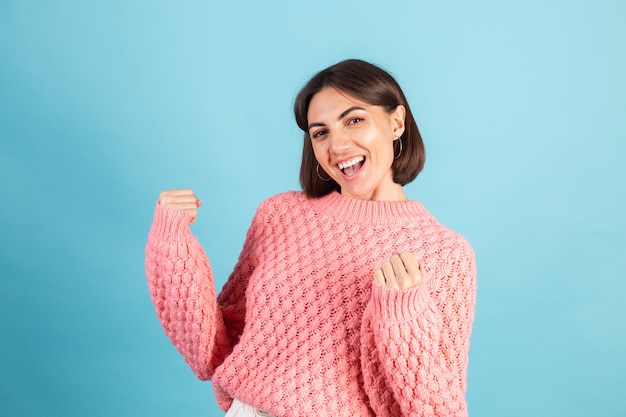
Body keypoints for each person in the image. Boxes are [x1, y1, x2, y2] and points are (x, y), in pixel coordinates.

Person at [145, 59, 476, 417]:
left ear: (396, 122)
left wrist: (402, 317)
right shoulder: (280, 215)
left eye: (354, 120)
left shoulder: (446, 253)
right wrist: (172, 243)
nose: (337, 145)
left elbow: (438, 410)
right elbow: (212, 349)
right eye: (321, 132)